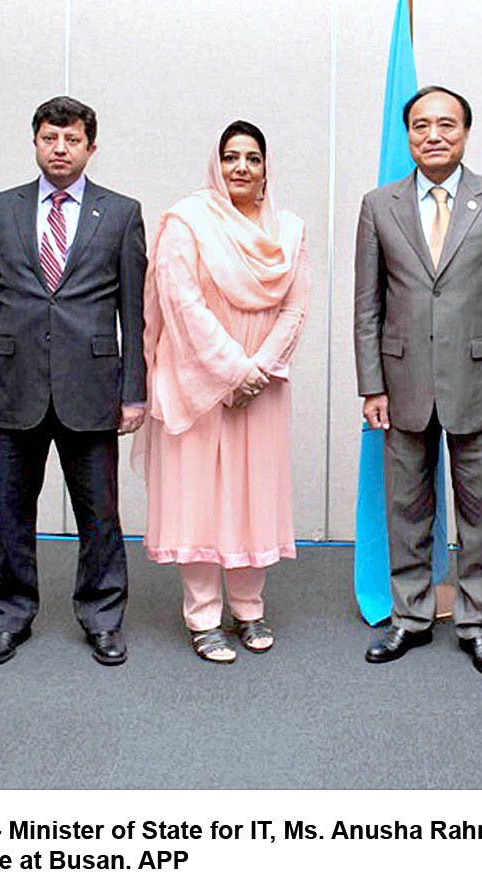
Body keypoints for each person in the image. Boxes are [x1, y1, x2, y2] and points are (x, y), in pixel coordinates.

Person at [354, 86, 482, 679]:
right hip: (401, 382)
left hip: (481, 385)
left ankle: (478, 624)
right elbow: (367, 307)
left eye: (446, 125)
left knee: (481, 512)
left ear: (465, 132)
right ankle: (409, 617)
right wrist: (371, 385)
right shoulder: (379, 205)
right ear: (407, 134)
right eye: (421, 125)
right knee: (406, 509)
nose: (434, 135)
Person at [0, 96, 147, 667]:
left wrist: (134, 390)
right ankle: (9, 616)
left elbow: (133, 311)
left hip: (92, 386)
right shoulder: (0, 209)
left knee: (99, 513)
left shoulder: (120, 213)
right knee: (12, 510)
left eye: (71, 140)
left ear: (91, 147)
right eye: (49, 138)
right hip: (14, 382)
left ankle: (102, 616)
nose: (60, 149)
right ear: (36, 142)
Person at [138, 120, 309, 663]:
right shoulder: (187, 222)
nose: (241, 167)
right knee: (200, 500)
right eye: (231, 157)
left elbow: (296, 308)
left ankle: (250, 608)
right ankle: (203, 616)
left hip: (263, 386)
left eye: (252, 158)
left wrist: (256, 371)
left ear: (265, 168)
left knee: (252, 495)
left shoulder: (289, 230)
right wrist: (233, 371)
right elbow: (181, 303)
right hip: (198, 381)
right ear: (217, 164)